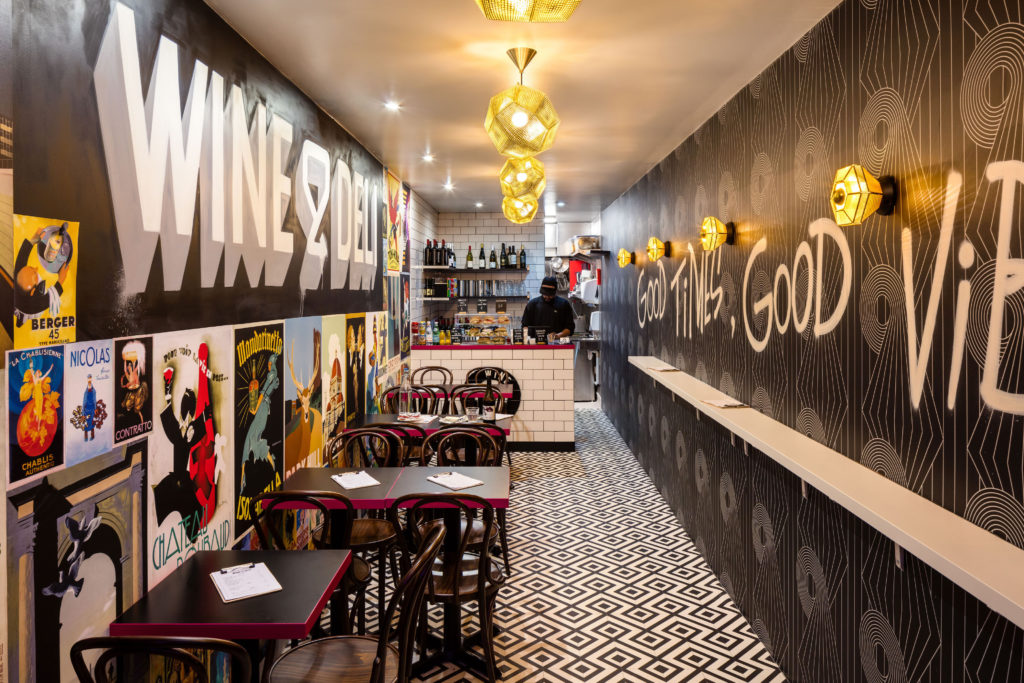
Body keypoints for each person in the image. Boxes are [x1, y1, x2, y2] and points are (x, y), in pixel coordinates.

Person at [521, 275, 575, 340]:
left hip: (558, 343)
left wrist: (557, 336)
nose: (547, 297)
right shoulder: (532, 304)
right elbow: (525, 326)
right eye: (545, 294)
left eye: (550, 295)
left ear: (555, 292)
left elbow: (570, 328)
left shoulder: (564, 304)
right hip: (536, 344)